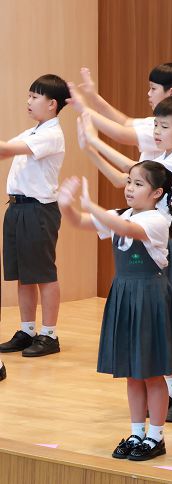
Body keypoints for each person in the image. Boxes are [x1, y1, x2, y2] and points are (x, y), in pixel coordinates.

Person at [56, 163, 172, 461]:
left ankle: (156, 437)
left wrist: (92, 205)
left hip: (149, 296)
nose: (130, 188)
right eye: (129, 181)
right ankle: (137, 432)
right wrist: (66, 205)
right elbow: (79, 221)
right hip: (125, 294)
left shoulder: (157, 219)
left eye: (138, 184)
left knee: (151, 373)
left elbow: (127, 229)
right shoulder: (121, 215)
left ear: (156, 193)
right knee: (132, 373)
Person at [0, 74, 70, 357]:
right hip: (17, 208)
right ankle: (27, 330)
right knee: (24, 275)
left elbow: (6, 148)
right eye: (28, 96)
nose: (28, 101)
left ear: (52, 104)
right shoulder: (32, 132)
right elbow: (4, 151)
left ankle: (49, 335)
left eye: (34, 96)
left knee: (43, 273)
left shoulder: (51, 134)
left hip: (38, 210)